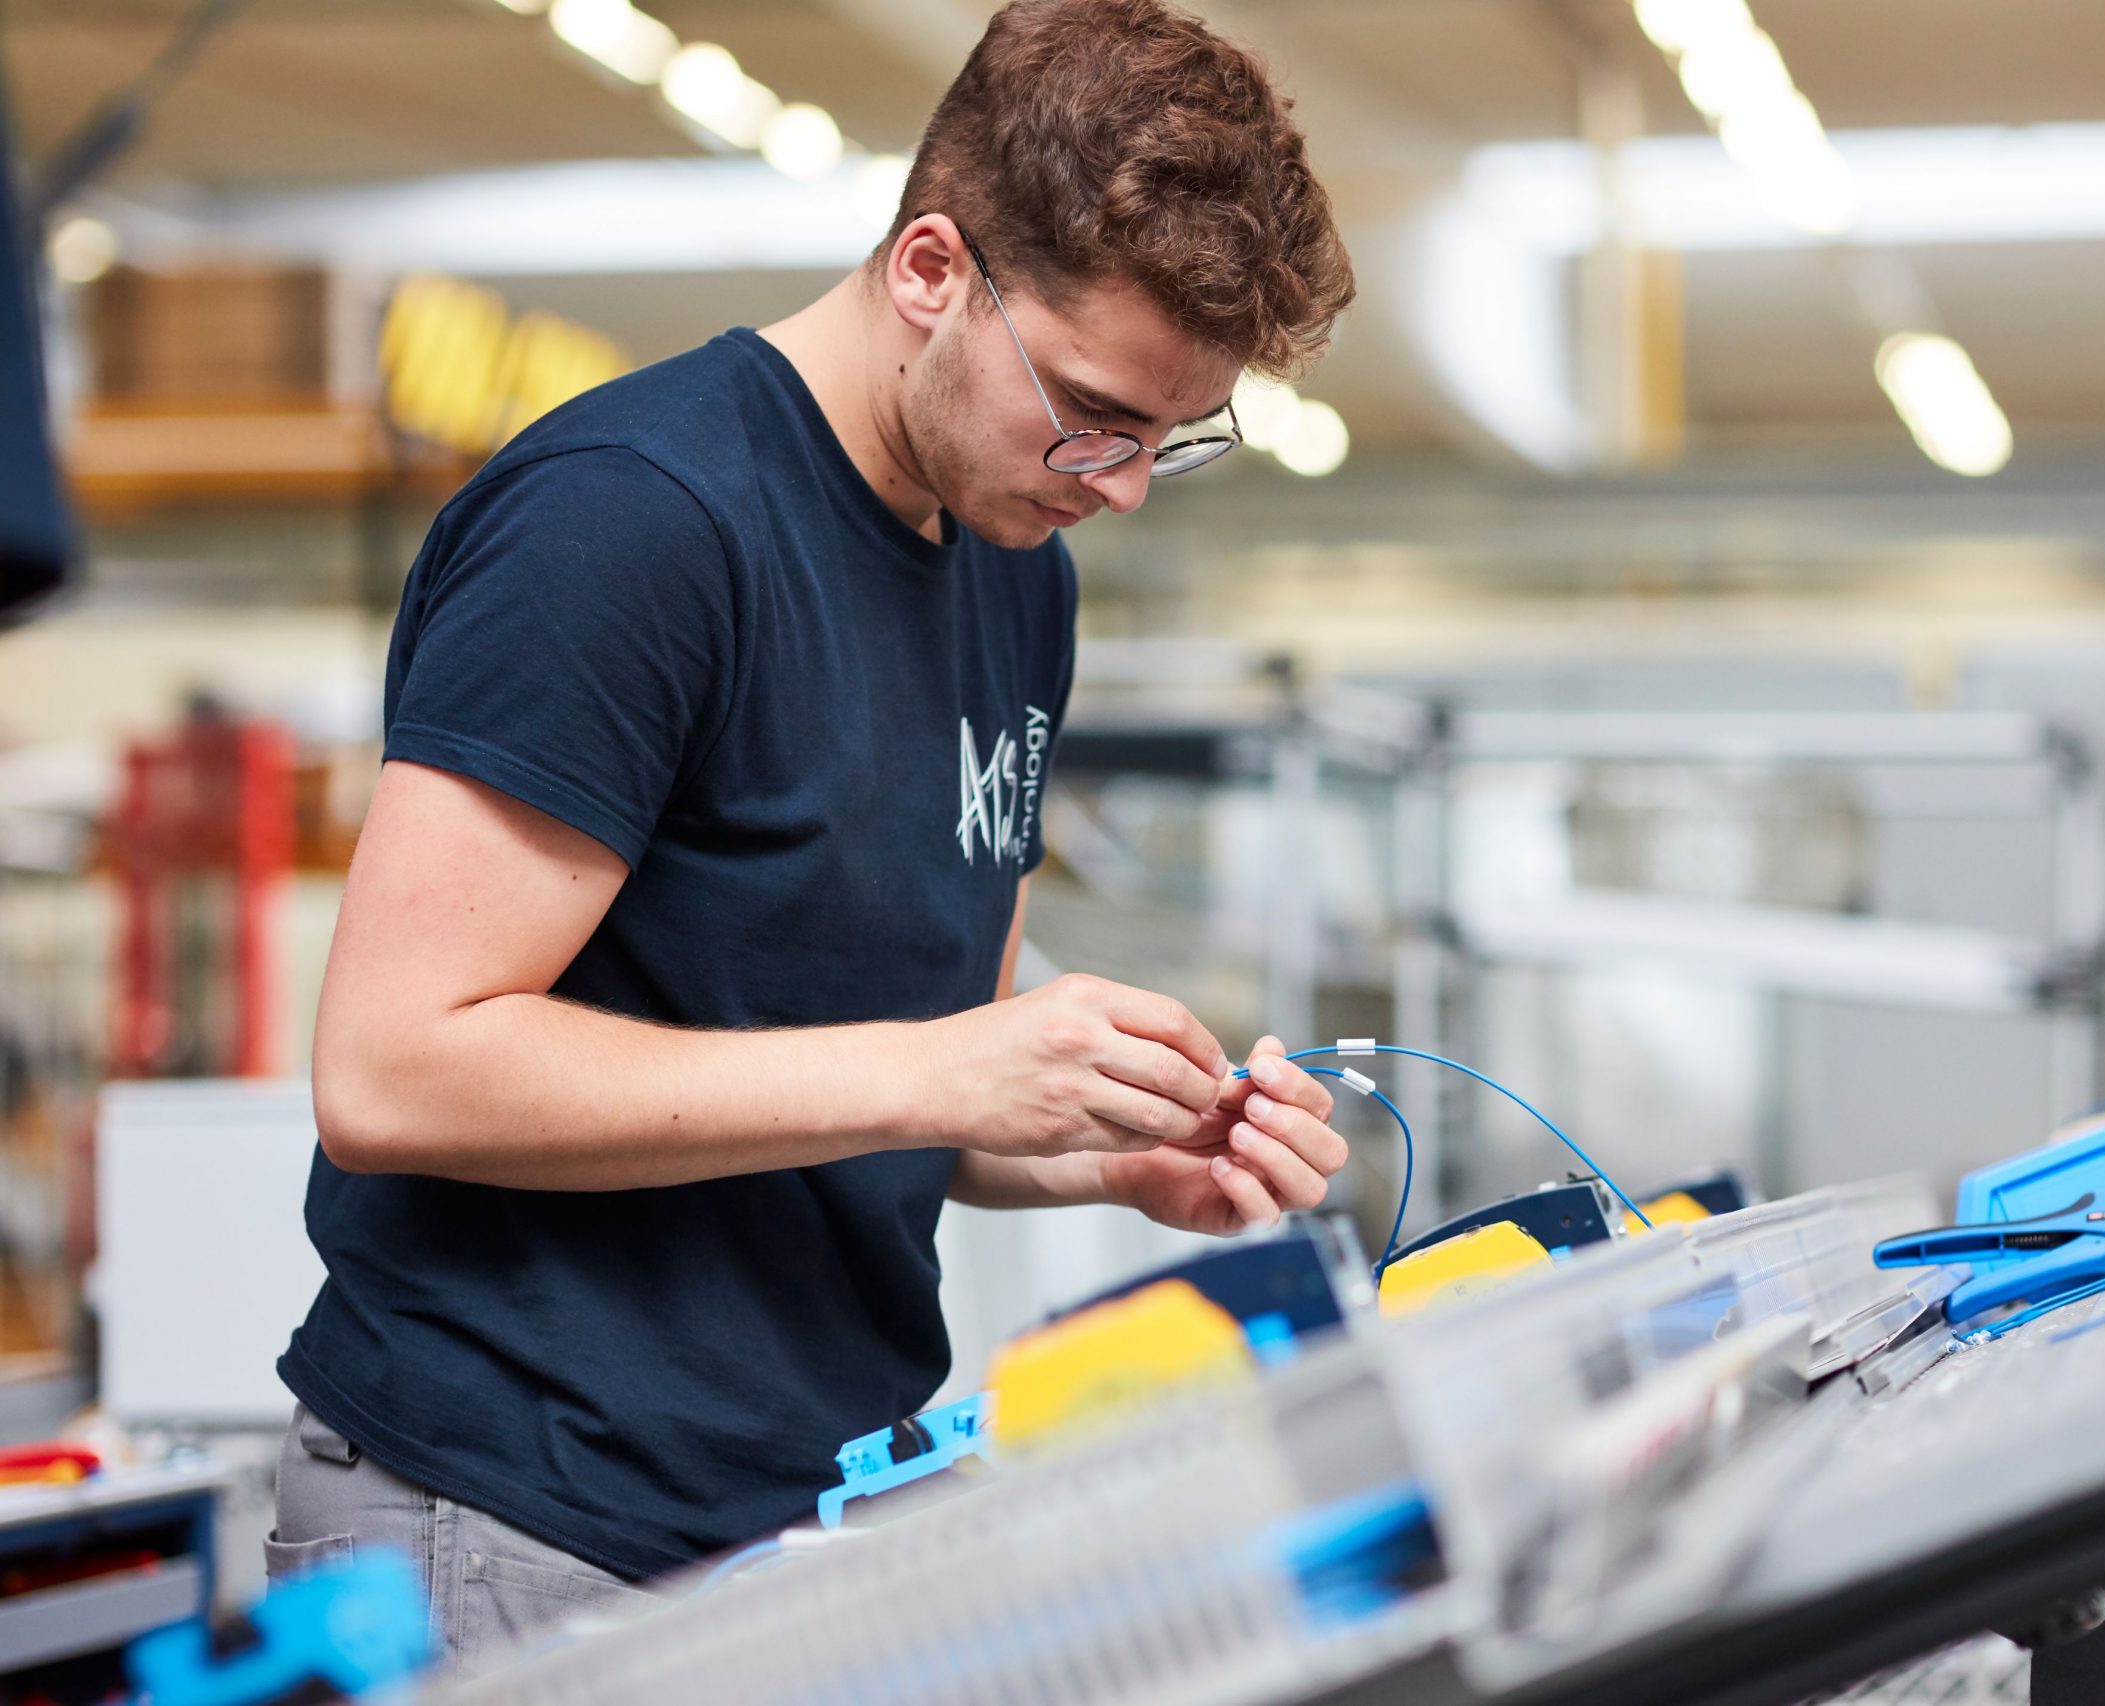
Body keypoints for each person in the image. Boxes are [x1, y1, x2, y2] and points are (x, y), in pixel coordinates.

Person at [267, 0, 1358, 1670]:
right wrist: (945, 1076)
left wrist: (1102, 1146)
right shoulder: (631, 522)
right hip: (514, 1526)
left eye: (1168, 439)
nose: (1120, 483)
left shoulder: (1017, 573)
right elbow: (393, 1068)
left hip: (806, 1529)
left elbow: (915, 1078)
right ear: (932, 268)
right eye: (1089, 410)